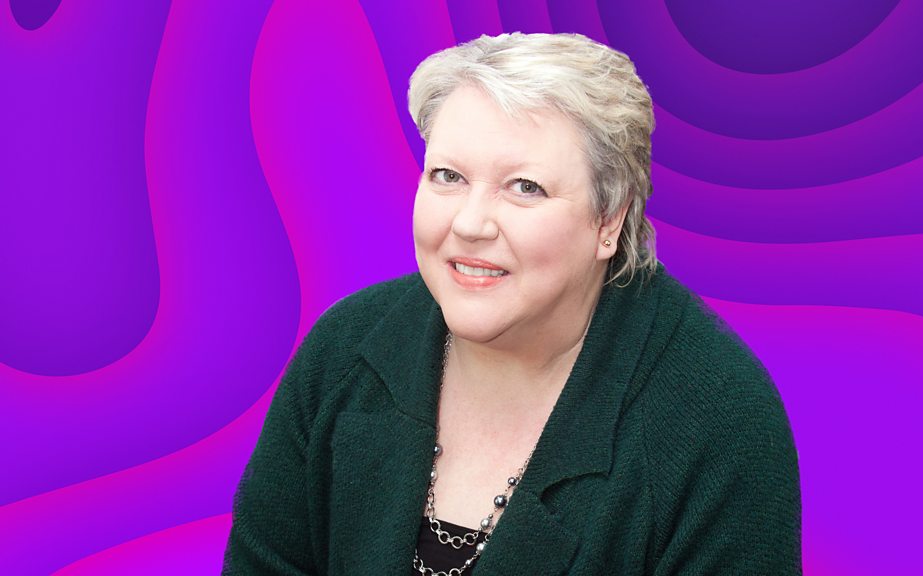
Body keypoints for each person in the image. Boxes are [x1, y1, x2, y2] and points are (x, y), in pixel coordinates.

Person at [223, 32, 801, 575]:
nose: (470, 223)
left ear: (609, 220)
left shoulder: (717, 415)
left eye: (525, 187)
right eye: (448, 176)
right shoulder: (343, 351)